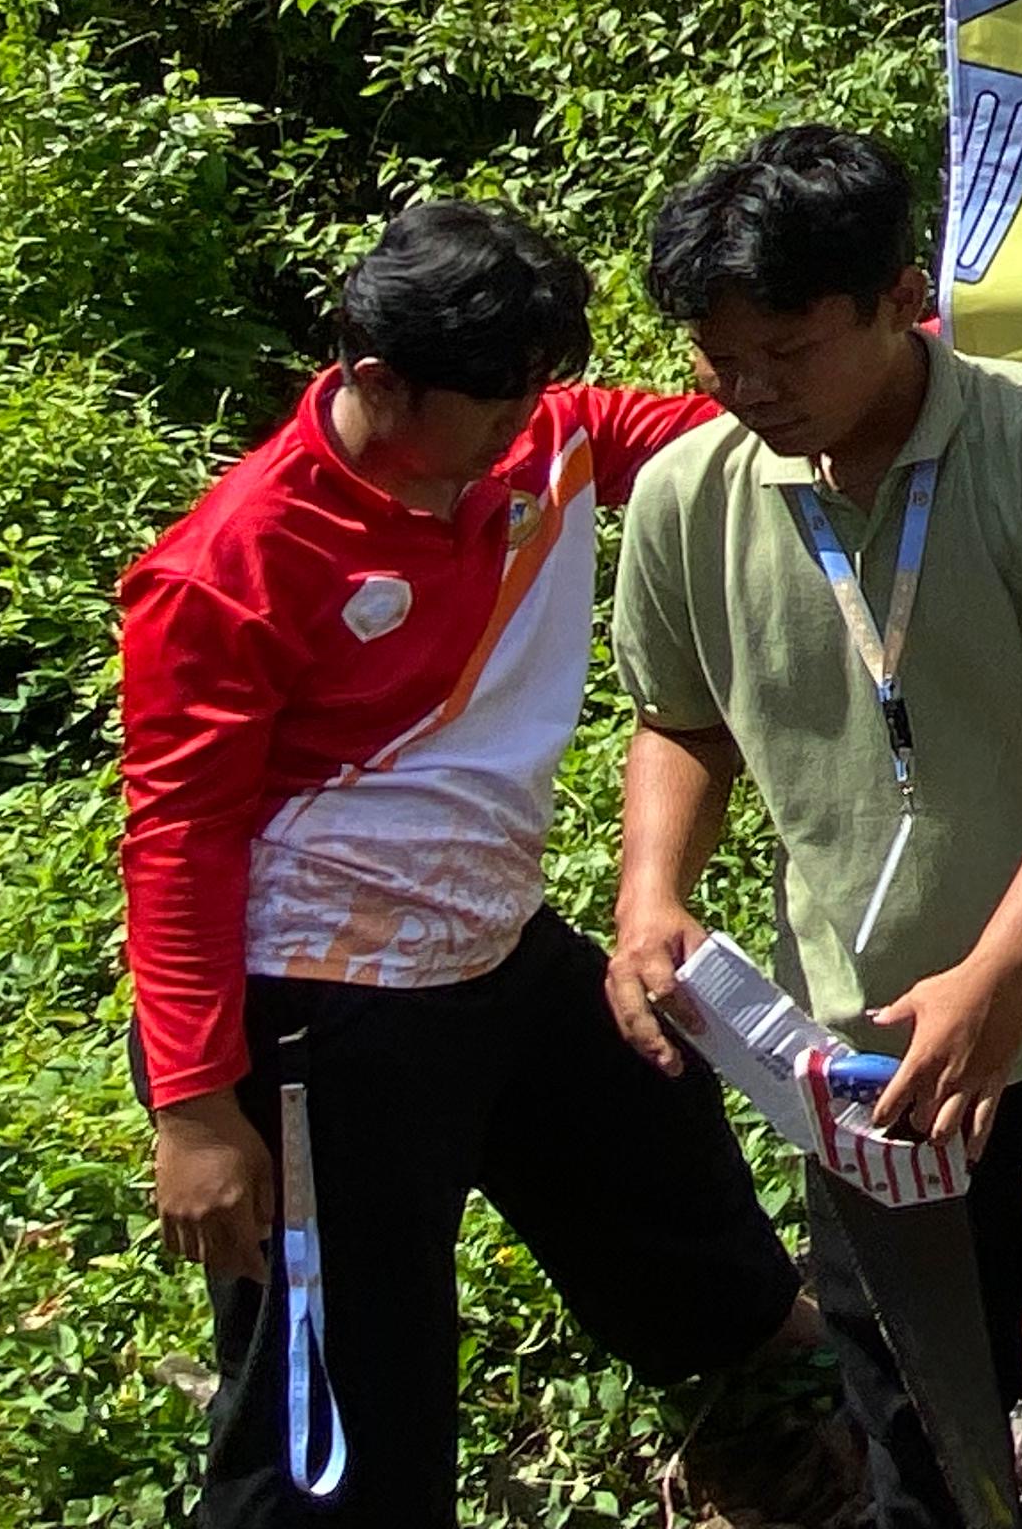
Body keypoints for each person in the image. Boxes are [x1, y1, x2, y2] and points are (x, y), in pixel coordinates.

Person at [119, 200, 801, 1526]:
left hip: (492, 944)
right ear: (377, 379)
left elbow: (739, 430)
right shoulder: (235, 565)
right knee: (342, 1376)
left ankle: (773, 1364)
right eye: (492, 400)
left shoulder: (531, 439)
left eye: (534, 392)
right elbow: (179, 840)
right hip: (322, 1006)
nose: (520, 424)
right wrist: (198, 1106)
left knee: (647, 1133)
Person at [604, 127, 1022, 1529]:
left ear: (900, 299)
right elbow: (680, 722)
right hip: (865, 1049)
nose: (753, 391)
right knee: (914, 1413)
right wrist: (651, 892)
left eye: (787, 349)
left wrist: (1001, 974)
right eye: (722, 361)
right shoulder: (686, 501)